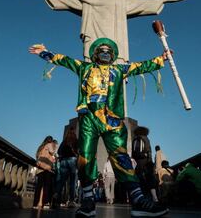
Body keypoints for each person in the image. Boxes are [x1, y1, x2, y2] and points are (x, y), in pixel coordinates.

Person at [29, 37, 170, 217]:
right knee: (85, 156)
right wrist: (43, 52)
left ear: (112, 55)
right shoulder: (84, 67)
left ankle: (138, 200)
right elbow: (64, 60)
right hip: (89, 117)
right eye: (101, 50)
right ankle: (88, 201)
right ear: (95, 54)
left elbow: (141, 66)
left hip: (113, 120)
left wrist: (162, 59)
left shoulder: (120, 69)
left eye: (108, 50)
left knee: (121, 156)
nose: (105, 52)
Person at [21, 0, 185, 63]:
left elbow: (142, 3)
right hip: (93, 38)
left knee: (117, 72)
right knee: (90, 68)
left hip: (115, 40)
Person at [132, 126, 159, 202]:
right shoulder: (147, 139)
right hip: (148, 163)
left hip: (141, 163)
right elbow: (149, 151)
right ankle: (154, 198)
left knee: (141, 181)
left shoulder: (138, 138)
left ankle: (143, 199)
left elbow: (136, 152)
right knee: (150, 180)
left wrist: (143, 155)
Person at [54, 126, 78, 208]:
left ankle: (56, 198)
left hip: (64, 161)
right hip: (73, 160)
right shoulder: (75, 140)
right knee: (72, 182)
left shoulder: (64, 141)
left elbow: (59, 151)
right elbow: (79, 151)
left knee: (61, 181)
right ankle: (71, 201)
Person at [33, 135, 55, 209]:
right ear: (51, 141)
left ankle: (35, 204)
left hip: (40, 168)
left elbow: (36, 155)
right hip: (47, 167)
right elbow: (52, 152)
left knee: (38, 186)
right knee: (46, 186)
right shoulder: (49, 145)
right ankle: (45, 203)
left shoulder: (41, 147)